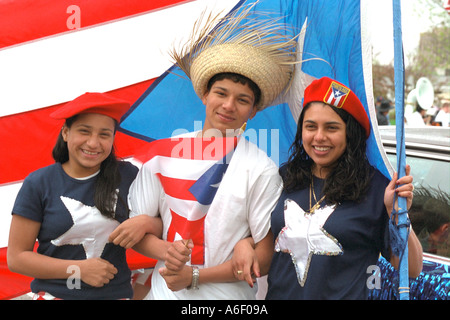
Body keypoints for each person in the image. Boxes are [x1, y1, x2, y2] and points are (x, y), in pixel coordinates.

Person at [109, 5, 297, 299]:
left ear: (253, 110)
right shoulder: (161, 156)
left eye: (242, 99)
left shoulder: (261, 169)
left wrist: (194, 275)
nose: (229, 105)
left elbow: (265, 258)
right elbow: (138, 233)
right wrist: (168, 251)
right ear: (204, 94)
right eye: (221, 93)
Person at [263, 77, 423, 299]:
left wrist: (397, 214)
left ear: (350, 133)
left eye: (332, 128)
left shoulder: (376, 188)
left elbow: (412, 268)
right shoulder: (285, 177)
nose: (319, 137)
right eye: (311, 126)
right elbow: (263, 244)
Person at [7, 92, 161, 300]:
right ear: (65, 133)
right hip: (54, 295)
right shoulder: (39, 183)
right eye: (84, 131)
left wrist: (145, 223)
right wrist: (78, 269)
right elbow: (17, 258)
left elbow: (164, 226)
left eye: (104, 134)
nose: (93, 143)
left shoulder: (129, 176)